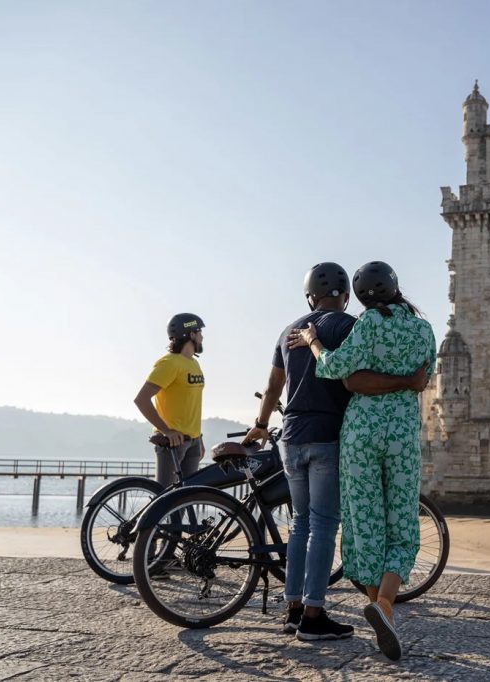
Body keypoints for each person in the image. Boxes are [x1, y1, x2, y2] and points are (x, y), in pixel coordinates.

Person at [244, 263, 429, 642]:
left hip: (292, 436)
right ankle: (315, 614)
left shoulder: (288, 330)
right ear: (345, 297)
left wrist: (262, 424)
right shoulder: (349, 325)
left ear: (310, 296)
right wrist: (407, 383)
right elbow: (354, 376)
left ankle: (293, 608)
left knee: (301, 524)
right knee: (326, 525)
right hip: (332, 436)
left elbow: (273, 384)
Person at [133, 313, 206, 488]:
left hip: (193, 442)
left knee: (185, 501)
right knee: (164, 500)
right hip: (173, 443)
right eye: (199, 332)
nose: (202, 336)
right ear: (191, 334)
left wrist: (199, 438)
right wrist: (166, 431)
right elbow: (141, 399)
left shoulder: (194, 364)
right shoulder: (169, 363)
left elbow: (190, 403)